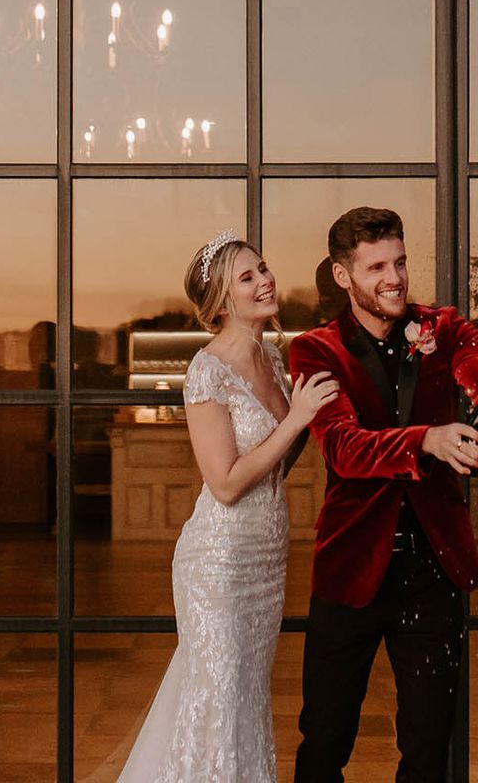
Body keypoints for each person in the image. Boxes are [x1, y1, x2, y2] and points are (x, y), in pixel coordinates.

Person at [290, 207, 478, 782]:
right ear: (343, 275)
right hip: (350, 569)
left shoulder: (445, 327)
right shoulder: (314, 350)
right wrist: (428, 439)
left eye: (399, 262)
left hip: (433, 568)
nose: (394, 277)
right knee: (324, 739)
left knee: (429, 746)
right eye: (376, 266)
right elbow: (345, 449)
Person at [118, 229, 338, 783]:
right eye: (247, 277)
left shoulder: (273, 359)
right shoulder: (206, 371)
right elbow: (225, 483)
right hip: (217, 564)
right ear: (221, 303)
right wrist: (296, 418)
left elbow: (275, 463)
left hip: (265, 562)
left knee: (243, 702)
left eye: (263, 268)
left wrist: (305, 421)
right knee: (217, 701)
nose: (265, 280)